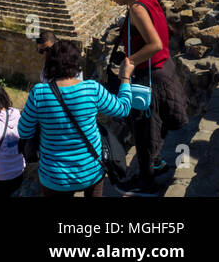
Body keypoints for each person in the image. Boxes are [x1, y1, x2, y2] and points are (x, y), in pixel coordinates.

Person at [103, 0, 188, 196]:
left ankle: (147, 182)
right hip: (163, 68)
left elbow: (155, 44)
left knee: (144, 130)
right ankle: (156, 164)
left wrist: (129, 62)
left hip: (149, 74)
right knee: (154, 126)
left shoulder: (137, 9)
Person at [17, 40, 133, 197]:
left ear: (50, 64)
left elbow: (23, 131)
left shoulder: (39, 93)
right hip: (91, 170)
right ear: (76, 63)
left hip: (55, 176)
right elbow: (123, 108)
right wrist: (125, 78)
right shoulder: (91, 89)